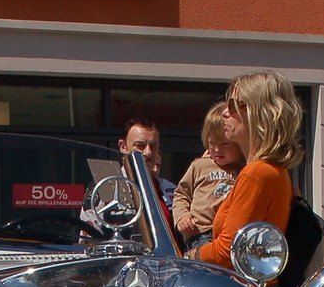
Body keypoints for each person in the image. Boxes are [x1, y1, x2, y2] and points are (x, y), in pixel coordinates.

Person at [193, 70, 305, 268]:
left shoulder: (256, 173)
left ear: (261, 114)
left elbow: (228, 251)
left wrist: (189, 255)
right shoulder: (273, 171)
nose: (226, 112)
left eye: (236, 106)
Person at [172, 106, 243, 249]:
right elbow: (181, 195)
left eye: (225, 144)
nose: (217, 149)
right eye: (212, 143)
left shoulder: (245, 169)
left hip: (233, 235)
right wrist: (182, 217)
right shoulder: (200, 165)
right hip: (201, 233)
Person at [117, 117, 175, 211]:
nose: (148, 152)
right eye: (140, 145)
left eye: (153, 146)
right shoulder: (104, 189)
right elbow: (87, 224)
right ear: (123, 147)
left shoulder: (172, 192)